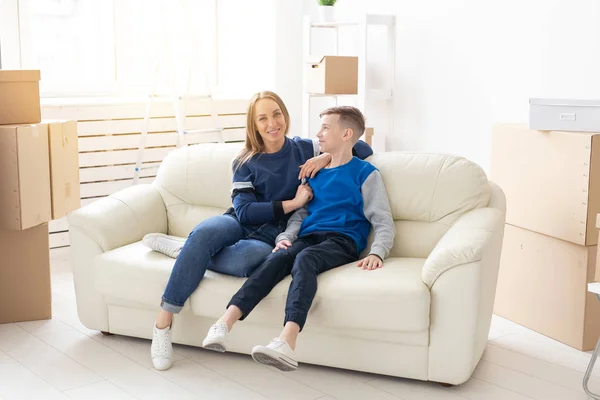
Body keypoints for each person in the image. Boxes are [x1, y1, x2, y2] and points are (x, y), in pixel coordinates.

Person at [147, 91, 373, 371]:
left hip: (272, 236)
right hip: (238, 223)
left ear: (285, 115)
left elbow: (360, 148)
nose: (272, 124)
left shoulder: (305, 149)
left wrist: (324, 157)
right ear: (254, 125)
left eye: (276, 114)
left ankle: (188, 251)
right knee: (205, 234)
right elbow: (245, 212)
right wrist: (293, 203)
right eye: (262, 118)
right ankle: (162, 324)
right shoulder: (244, 161)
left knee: (249, 261)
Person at [201, 106, 395, 372]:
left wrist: (378, 251)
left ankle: (286, 341)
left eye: (326, 127)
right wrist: (286, 237)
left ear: (347, 133)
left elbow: (382, 219)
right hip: (308, 235)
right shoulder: (313, 173)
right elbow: (300, 213)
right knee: (277, 258)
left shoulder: (366, 173)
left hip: (343, 240)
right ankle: (224, 322)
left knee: (305, 259)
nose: (318, 133)